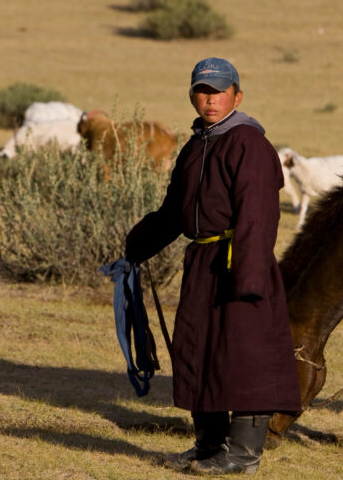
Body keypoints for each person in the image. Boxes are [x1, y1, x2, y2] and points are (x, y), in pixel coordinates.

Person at [124, 57, 301, 475]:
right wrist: (136, 246)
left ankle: (242, 456)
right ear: (192, 96)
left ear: (237, 96)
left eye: (219, 91)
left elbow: (259, 216)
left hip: (241, 261)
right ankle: (208, 446)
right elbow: (173, 213)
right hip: (202, 261)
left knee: (244, 356)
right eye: (203, 91)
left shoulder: (249, 145)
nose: (210, 99)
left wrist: (251, 276)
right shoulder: (195, 145)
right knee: (201, 352)